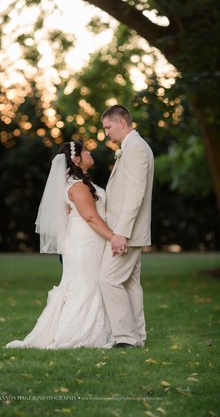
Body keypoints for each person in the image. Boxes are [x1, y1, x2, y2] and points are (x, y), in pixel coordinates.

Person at [6, 141, 115, 349]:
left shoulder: (77, 182)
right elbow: (90, 217)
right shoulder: (77, 185)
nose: (90, 152)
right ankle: (76, 334)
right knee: (85, 285)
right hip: (84, 243)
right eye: (85, 150)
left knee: (87, 284)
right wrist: (114, 237)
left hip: (87, 242)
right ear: (76, 159)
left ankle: (94, 330)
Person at [99, 105, 154, 349]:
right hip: (130, 232)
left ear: (122, 123)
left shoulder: (135, 149)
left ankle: (126, 338)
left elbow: (135, 195)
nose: (106, 133)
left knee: (108, 279)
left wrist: (121, 232)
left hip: (127, 232)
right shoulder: (133, 147)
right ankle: (138, 337)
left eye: (108, 127)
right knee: (130, 283)